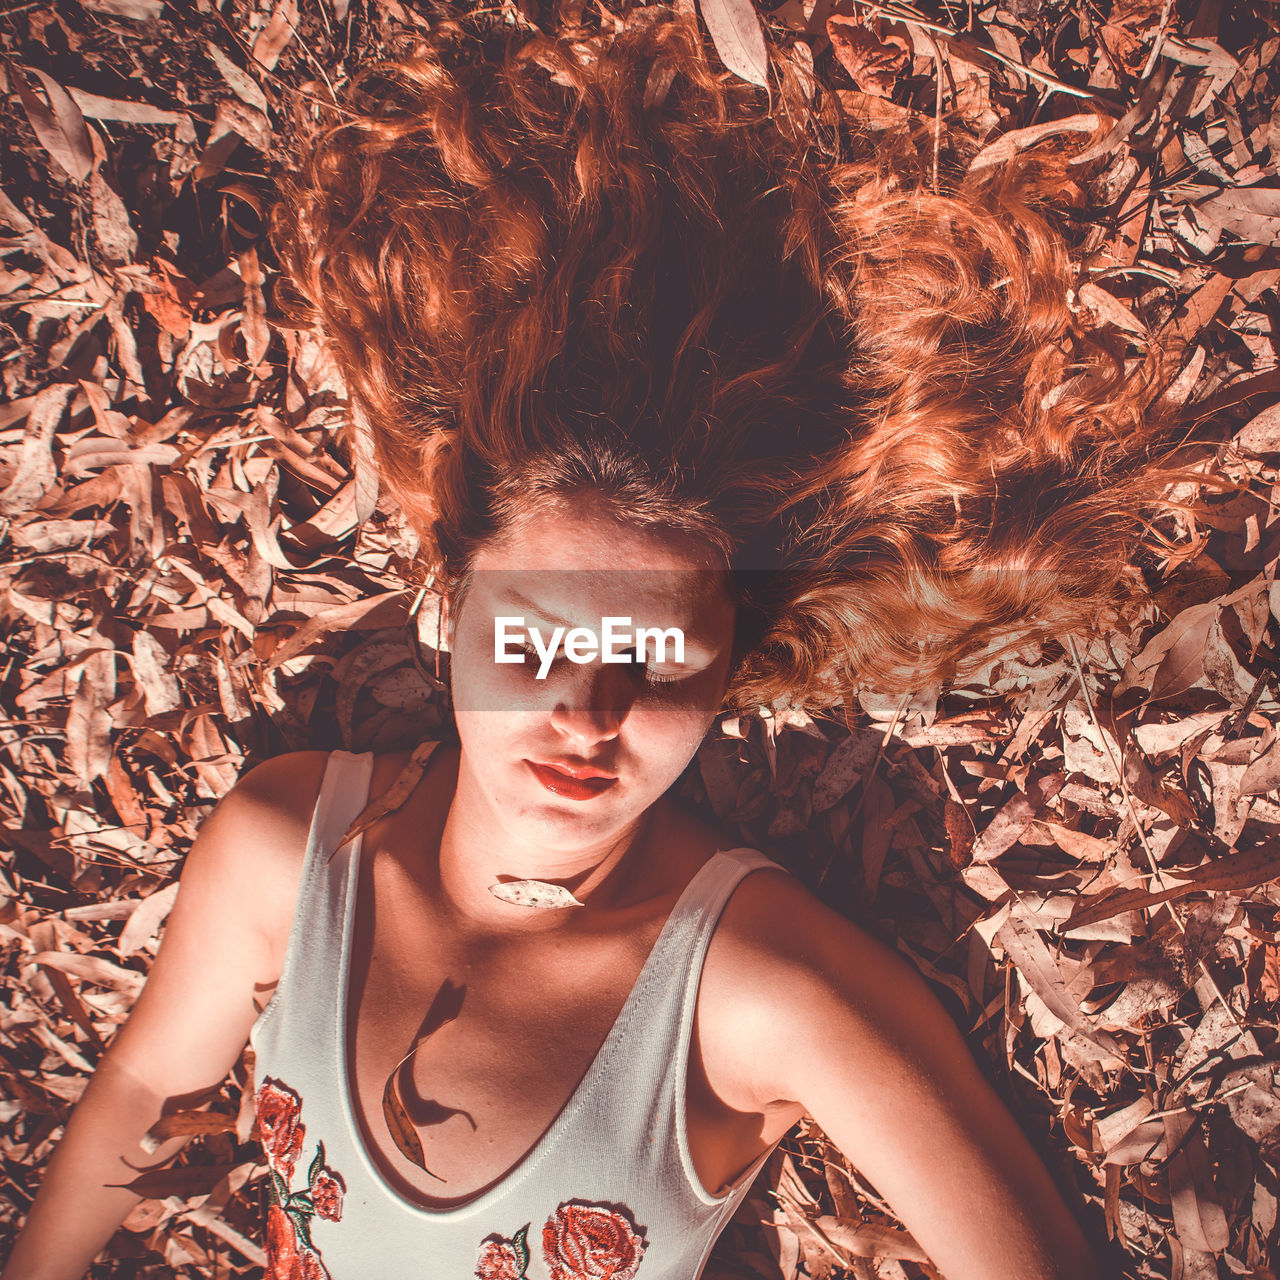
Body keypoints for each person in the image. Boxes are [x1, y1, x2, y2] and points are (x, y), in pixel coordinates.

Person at [4, 4, 1172, 1277]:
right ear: (450, 609)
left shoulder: (757, 988)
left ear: (727, 674)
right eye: (541, 635)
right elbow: (136, 1094)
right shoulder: (287, 856)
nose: (585, 710)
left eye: (657, 659)